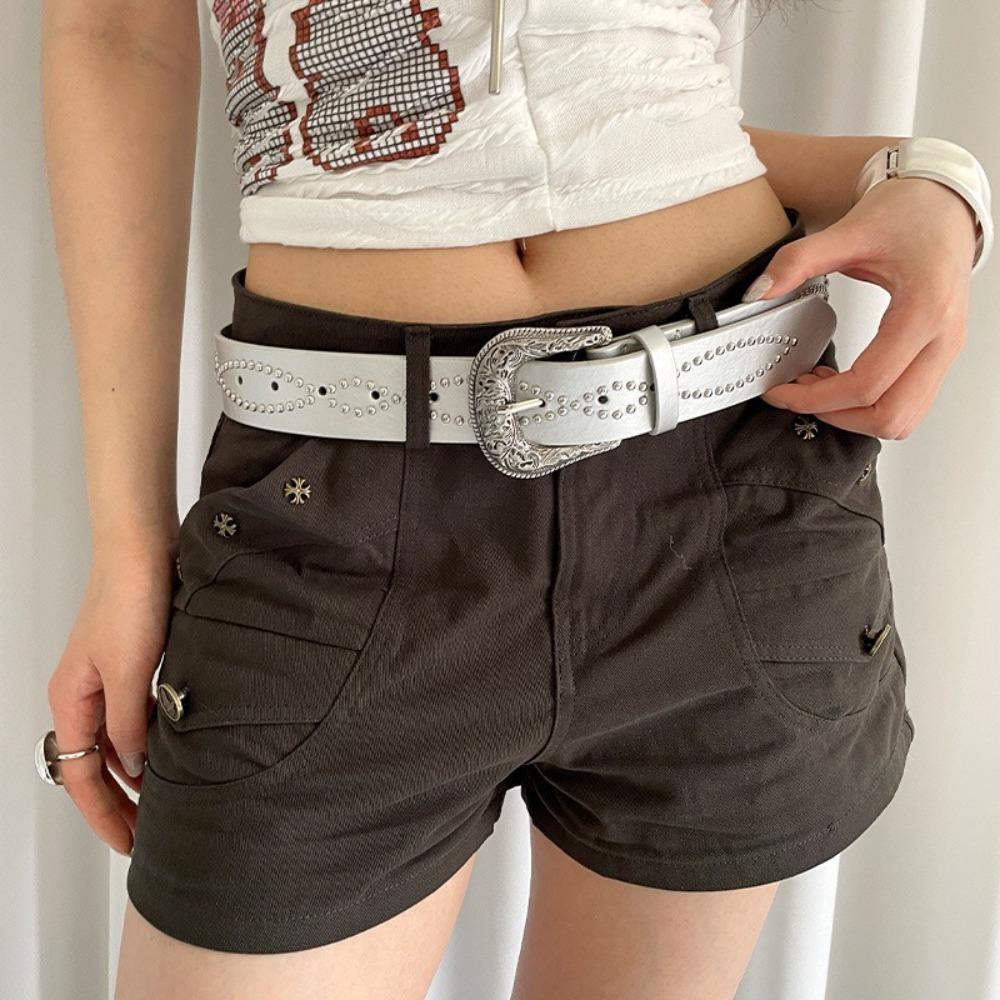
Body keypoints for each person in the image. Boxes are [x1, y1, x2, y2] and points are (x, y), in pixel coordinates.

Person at [36, 0, 989, 998]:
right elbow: (114, 35)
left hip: (723, 477)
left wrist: (927, 175)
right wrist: (129, 550)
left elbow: (629, 80)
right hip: (335, 510)